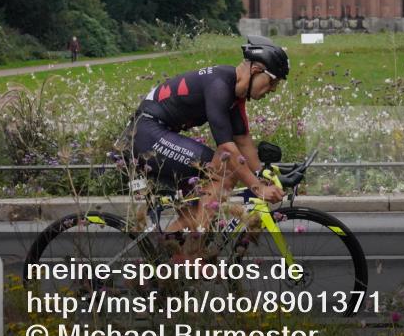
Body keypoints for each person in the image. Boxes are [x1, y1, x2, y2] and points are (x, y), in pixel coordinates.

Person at [119, 35, 289, 237]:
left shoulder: (235, 93)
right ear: (256, 70)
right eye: (272, 82)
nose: (272, 90)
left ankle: (175, 258)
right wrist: (257, 188)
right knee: (225, 166)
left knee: (193, 215)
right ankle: (195, 249)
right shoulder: (219, 85)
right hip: (145, 133)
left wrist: (262, 176)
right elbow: (227, 148)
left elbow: (242, 140)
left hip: (154, 133)